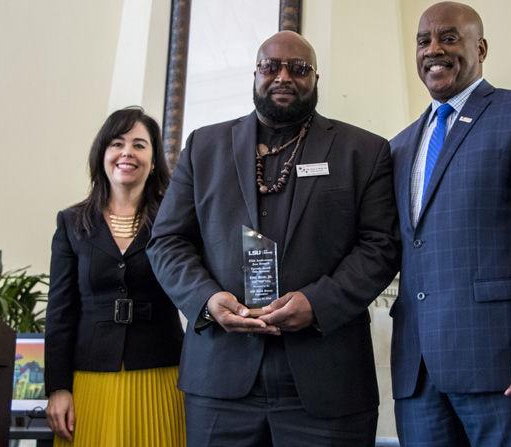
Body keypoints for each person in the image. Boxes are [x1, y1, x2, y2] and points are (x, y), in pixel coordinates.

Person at [146, 30, 400, 446]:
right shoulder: (203, 147)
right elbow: (167, 242)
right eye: (271, 66)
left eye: (298, 68)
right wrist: (207, 300)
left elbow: (381, 246)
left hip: (327, 378)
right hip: (220, 380)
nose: (283, 76)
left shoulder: (363, 151)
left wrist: (318, 304)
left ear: (316, 79)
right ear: (255, 74)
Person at [389, 2, 511, 446]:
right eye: (423, 41)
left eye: (449, 37)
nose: (433, 49)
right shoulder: (399, 147)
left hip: (505, 367)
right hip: (417, 377)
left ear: (481, 47)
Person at [44, 107, 186, 446]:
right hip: (90, 379)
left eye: (139, 145)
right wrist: (58, 387)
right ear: (102, 154)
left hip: (162, 374)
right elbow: (60, 311)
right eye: (117, 143)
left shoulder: (176, 219)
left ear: (153, 161)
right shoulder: (71, 222)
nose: (127, 153)